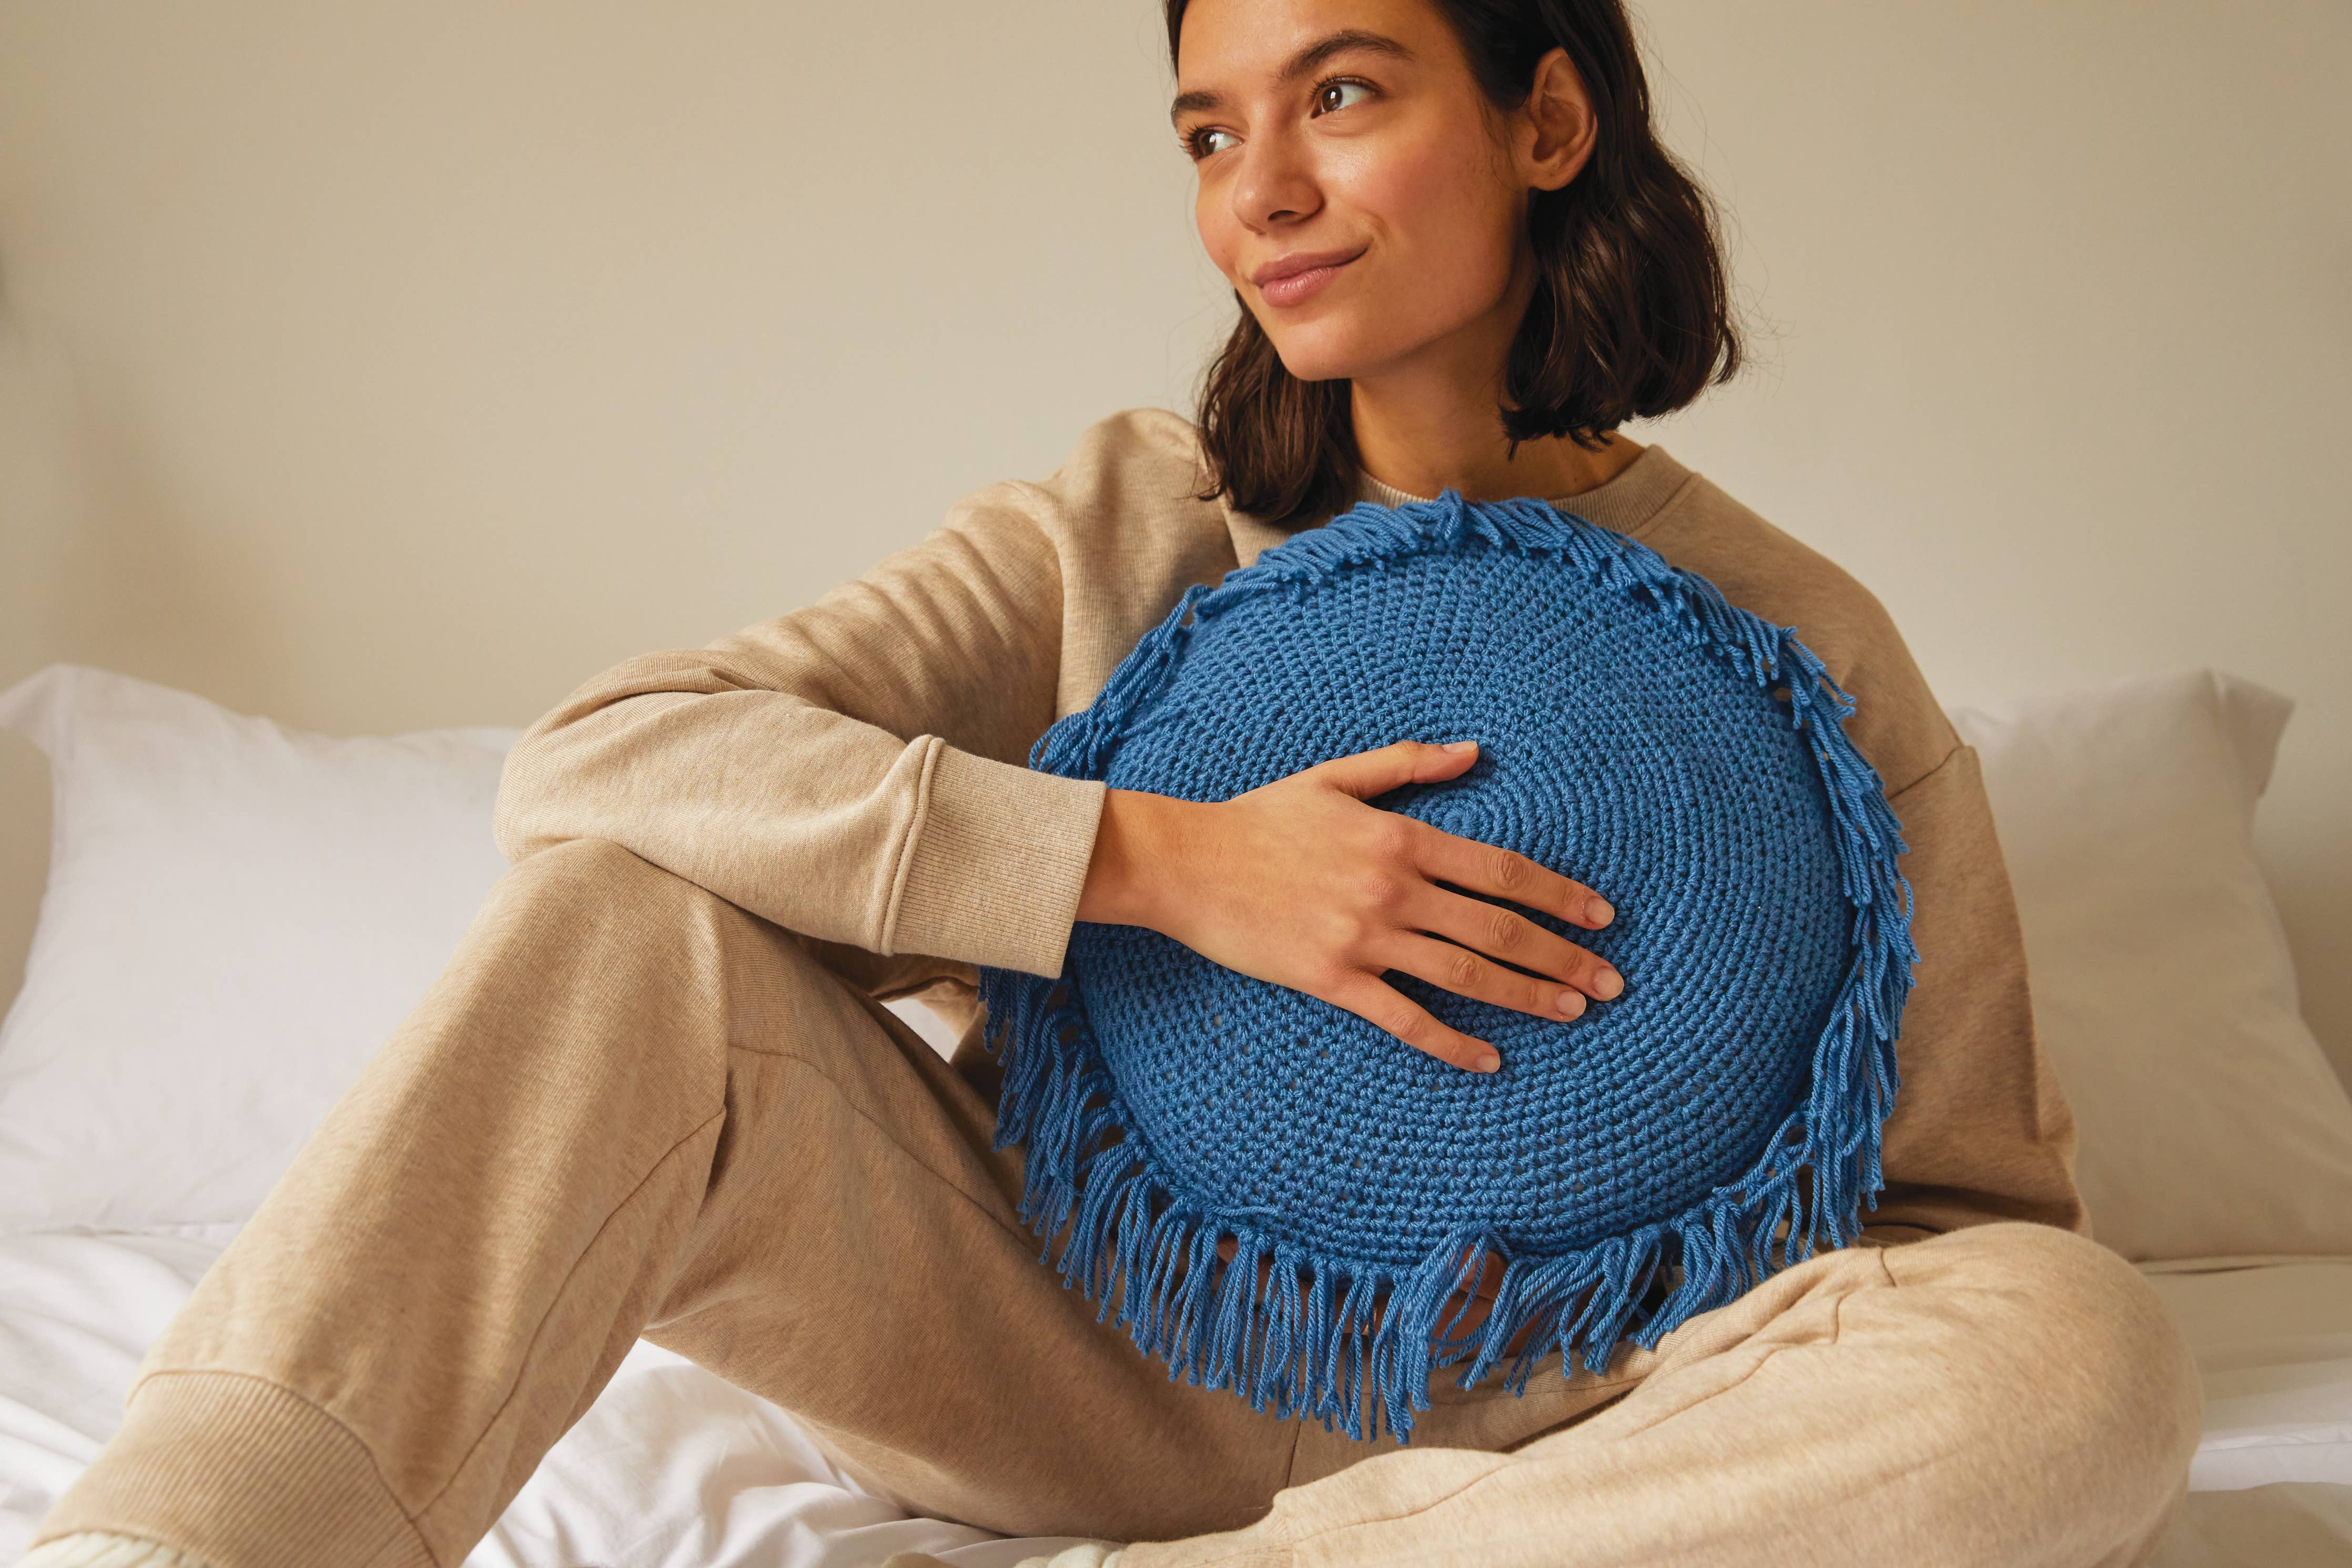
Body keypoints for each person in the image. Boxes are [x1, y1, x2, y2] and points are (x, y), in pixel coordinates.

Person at [23, 0, 2205, 1564]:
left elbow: (1962, 1222)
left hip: (1588, 1428)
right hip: (1064, 1344)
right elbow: (598, 755)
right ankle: (186, 1544)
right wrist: (1142, 862)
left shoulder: (1787, 642)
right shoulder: (1121, 517)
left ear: (1545, 120)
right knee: (622, 911)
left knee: (2076, 1352)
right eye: (1200, 130)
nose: (1256, 193)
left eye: (1337, 95)